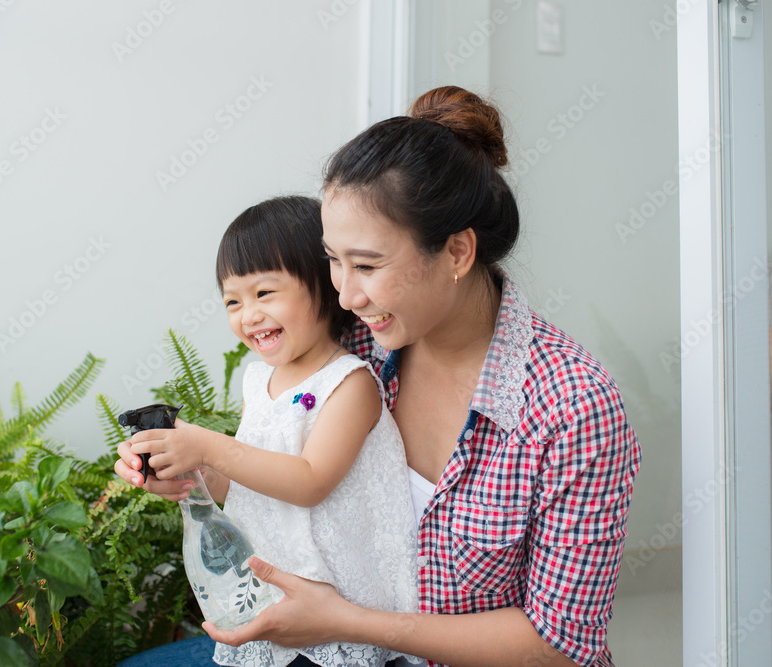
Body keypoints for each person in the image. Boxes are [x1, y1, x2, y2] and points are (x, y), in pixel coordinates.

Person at [117, 86, 641, 667]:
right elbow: (279, 473)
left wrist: (345, 622)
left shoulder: (571, 407)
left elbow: (559, 647)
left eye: (366, 265)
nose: (343, 292)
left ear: (458, 253)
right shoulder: (351, 344)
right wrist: (190, 469)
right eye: (332, 260)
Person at [118, 196, 419, 667]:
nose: (248, 315)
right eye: (232, 301)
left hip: (335, 607)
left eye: (264, 293)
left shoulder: (351, 383)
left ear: (324, 285)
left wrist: (210, 445)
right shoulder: (259, 380)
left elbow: (308, 481)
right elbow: (244, 483)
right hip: (272, 599)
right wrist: (187, 471)